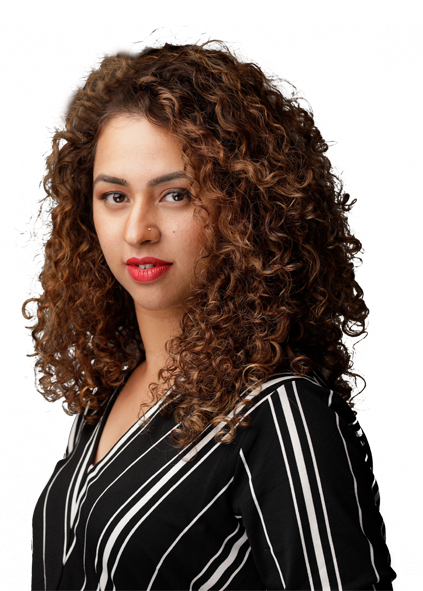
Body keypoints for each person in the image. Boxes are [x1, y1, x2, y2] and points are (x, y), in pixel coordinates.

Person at [26, 42, 396, 591]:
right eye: (115, 197)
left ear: (244, 210)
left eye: (176, 195)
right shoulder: (99, 410)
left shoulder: (283, 415)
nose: (138, 230)